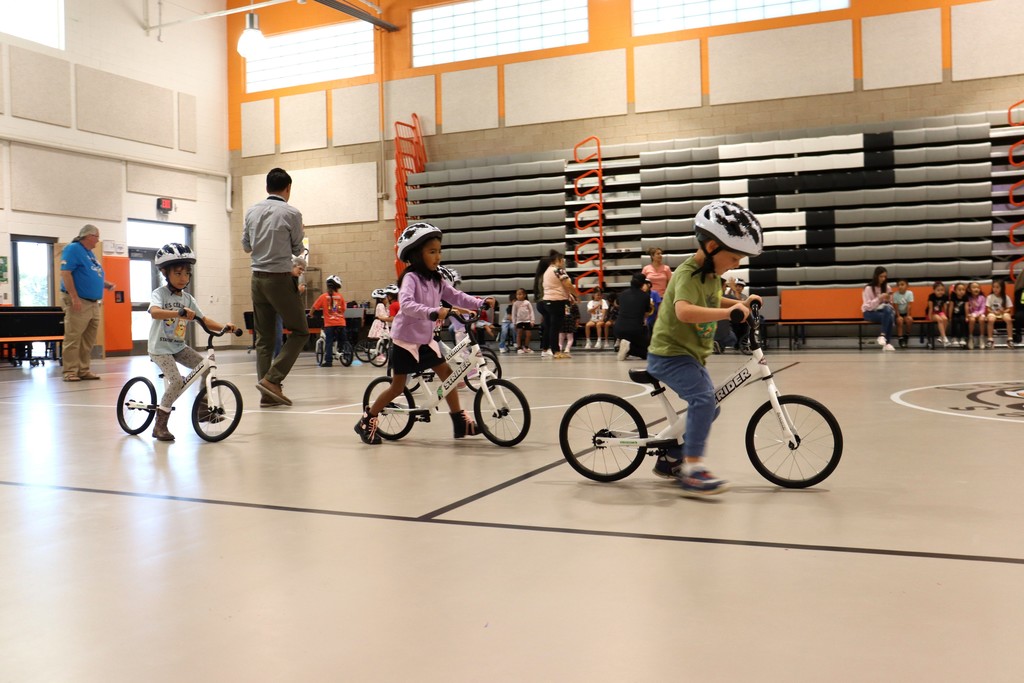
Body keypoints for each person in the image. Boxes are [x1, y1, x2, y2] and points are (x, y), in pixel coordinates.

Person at [647, 200, 763, 496]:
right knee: (703, 400)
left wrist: (740, 302)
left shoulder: (711, 276)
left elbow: (711, 300)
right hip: (669, 355)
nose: (737, 264)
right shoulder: (688, 273)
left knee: (711, 405)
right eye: (734, 257)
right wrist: (728, 313)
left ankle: (671, 458)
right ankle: (693, 469)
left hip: (689, 356)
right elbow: (684, 310)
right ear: (712, 247)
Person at [355, 223, 492, 445]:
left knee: (448, 375)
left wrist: (480, 302)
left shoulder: (436, 278)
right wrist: (434, 311)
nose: (438, 256)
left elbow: (455, 295)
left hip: (425, 340)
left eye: (439, 251)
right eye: (432, 252)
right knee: (397, 387)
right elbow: (407, 305)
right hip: (405, 341)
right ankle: (367, 419)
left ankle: (459, 420)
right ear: (417, 255)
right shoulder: (411, 278)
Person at [147, 244, 235, 441]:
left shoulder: (188, 299)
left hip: (178, 347)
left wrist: (224, 327)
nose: (183, 278)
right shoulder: (160, 294)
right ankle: (160, 426)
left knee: (207, 368)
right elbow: (155, 312)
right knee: (177, 381)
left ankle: (203, 409)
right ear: (165, 273)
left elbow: (203, 319)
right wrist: (176, 313)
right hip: (160, 348)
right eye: (178, 273)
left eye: (186, 274)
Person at [242, 167, 308, 407]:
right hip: (279, 279)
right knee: (300, 331)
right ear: (288, 188)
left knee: (264, 339)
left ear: (267, 187)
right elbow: (297, 249)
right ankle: (272, 379)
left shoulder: (251, 211)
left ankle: (267, 395)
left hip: (256, 280)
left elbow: (246, 246)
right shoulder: (292, 213)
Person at [59, 224, 115, 382]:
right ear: (89, 236)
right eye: (97, 237)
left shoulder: (89, 253)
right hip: (79, 301)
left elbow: (89, 275)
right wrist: (74, 297)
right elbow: (66, 273)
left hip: (93, 303)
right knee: (73, 337)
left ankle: (83, 370)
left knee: (88, 339)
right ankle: (70, 371)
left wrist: (105, 284)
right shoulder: (73, 249)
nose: (98, 240)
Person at [535, 250, 578, 358]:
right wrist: (576, 295)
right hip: (557, 301)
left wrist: (569, 296)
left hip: (548, 301)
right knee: (555, 327)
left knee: (552, 327)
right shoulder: (558, 270)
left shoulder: (547, 271)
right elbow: (567, 284)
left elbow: (560, 286)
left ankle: (552, 350)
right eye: (562, 259)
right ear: (558, 260)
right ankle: (556, 351)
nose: (563, 261)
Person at [309, 275, 347, 367]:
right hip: (341, 323)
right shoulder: (340, 296)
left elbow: (314, 307)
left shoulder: (323, 296)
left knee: (329, 342)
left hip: (329, 324)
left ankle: (328, 361)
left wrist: (310, 314)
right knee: (343, 340)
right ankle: (344, 353)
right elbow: (343, 309)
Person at [273, 256, 307, 357]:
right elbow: (284, 296)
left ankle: (278, 357)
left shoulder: (293, 279)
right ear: (293, 266)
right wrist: (298, 292)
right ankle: (277, 357)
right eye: (300, 268)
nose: (301, 272)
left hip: (280, 310)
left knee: (278, 336)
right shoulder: (283, 277)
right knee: (276, 336)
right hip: (274, 308)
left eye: (303, 270)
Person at [614, 273, 653, 361]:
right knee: (647, 353)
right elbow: (646, 314)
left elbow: (616, 304)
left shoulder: (622, 293)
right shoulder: (645, 296)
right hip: (635, 329)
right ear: (643, 284)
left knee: (631, 338)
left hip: (618, 328)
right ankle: (629, 348)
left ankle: (623, 345)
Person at [861, 266, 895, 351]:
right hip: (869, 312)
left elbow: (891, 304)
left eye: (884, 276)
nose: (883, 279)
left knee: (888, 312)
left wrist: (887, 300)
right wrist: (879, 298)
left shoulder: (887, 287)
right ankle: (887, 342)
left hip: (883, 311)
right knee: (889, 317)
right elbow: (868, 306)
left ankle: (882, 336)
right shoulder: (868, 288)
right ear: (876, 276)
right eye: (881, 276)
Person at [986, 279, 1013, 349]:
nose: (995, 289)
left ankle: (1010, 339)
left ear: (1002, 288)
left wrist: (1003, 311)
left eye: (997, 287)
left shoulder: (1006, 297)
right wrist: (993, 312)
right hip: (993, 312)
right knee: (991, 320)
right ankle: (990, 339)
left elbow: (1009, 308)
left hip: (1003, 313)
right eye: (994, 287)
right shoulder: (990, 297)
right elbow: (988, 308)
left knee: (1008, 319)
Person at [926, 281, 950, 347]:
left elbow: (945, 308)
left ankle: (940, 336)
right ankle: (944, 337)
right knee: (940, 319)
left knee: (945, 319)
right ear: (934, 290)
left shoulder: (945, 297)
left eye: (942, 290)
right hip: (932, 313)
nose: (940, 292)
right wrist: (930, 317)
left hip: (939, 312)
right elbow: (930, 308)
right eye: (938, 290)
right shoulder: (931, 296)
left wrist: (945, 315)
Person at [891, 278, 914, 348]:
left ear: (907, 286)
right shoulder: (895, 294)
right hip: (898, 313)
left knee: (909, 320)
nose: (900, 286)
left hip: (906, 313)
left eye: (902, 284)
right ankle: (900, 338)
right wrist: (898, 316)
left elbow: (909, 305)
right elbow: (896, 307)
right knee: (899, 321)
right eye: (898, 285)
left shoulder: (909, 293)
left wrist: (908, 315)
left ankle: (907, 335)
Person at [511, 288, 535, 354]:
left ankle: (526, 347)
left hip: (527, 321)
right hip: (519, 321)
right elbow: (513, 313)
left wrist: (532, 320)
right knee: (519, 334)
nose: (518, 296)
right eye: (517, 294)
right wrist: (514, 322)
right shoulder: (515, 303)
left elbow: (531, 311)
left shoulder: (527, 302)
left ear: (524, 295)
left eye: (520, 294)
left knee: (528, 334)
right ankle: (519, 347)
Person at [965, 281, 986, 350]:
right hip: (971, 314)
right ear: (969, 289)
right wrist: (970, 314)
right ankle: (970, 337)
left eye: (978, 287)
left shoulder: (982, 297)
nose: (976, 289)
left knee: (982, 319)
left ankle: (982, 337)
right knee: (972, 320)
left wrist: (977, 314)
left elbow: (983, 309)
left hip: (980, 314)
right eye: (974, 288)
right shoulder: (967, 298)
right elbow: (967, 308)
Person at [948, 282, 968, 348]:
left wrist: (967, 316)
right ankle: (954, 337)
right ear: (955, 291)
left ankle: (963, 337)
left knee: (963, 320)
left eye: (963, 290)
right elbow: (951, 307)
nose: (961, 291)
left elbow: (966, 307)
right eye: (959, 290)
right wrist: (950, 317)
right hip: (955, 314)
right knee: (954, 320)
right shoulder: (953, 297)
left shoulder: (965, 297)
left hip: (962, 314)